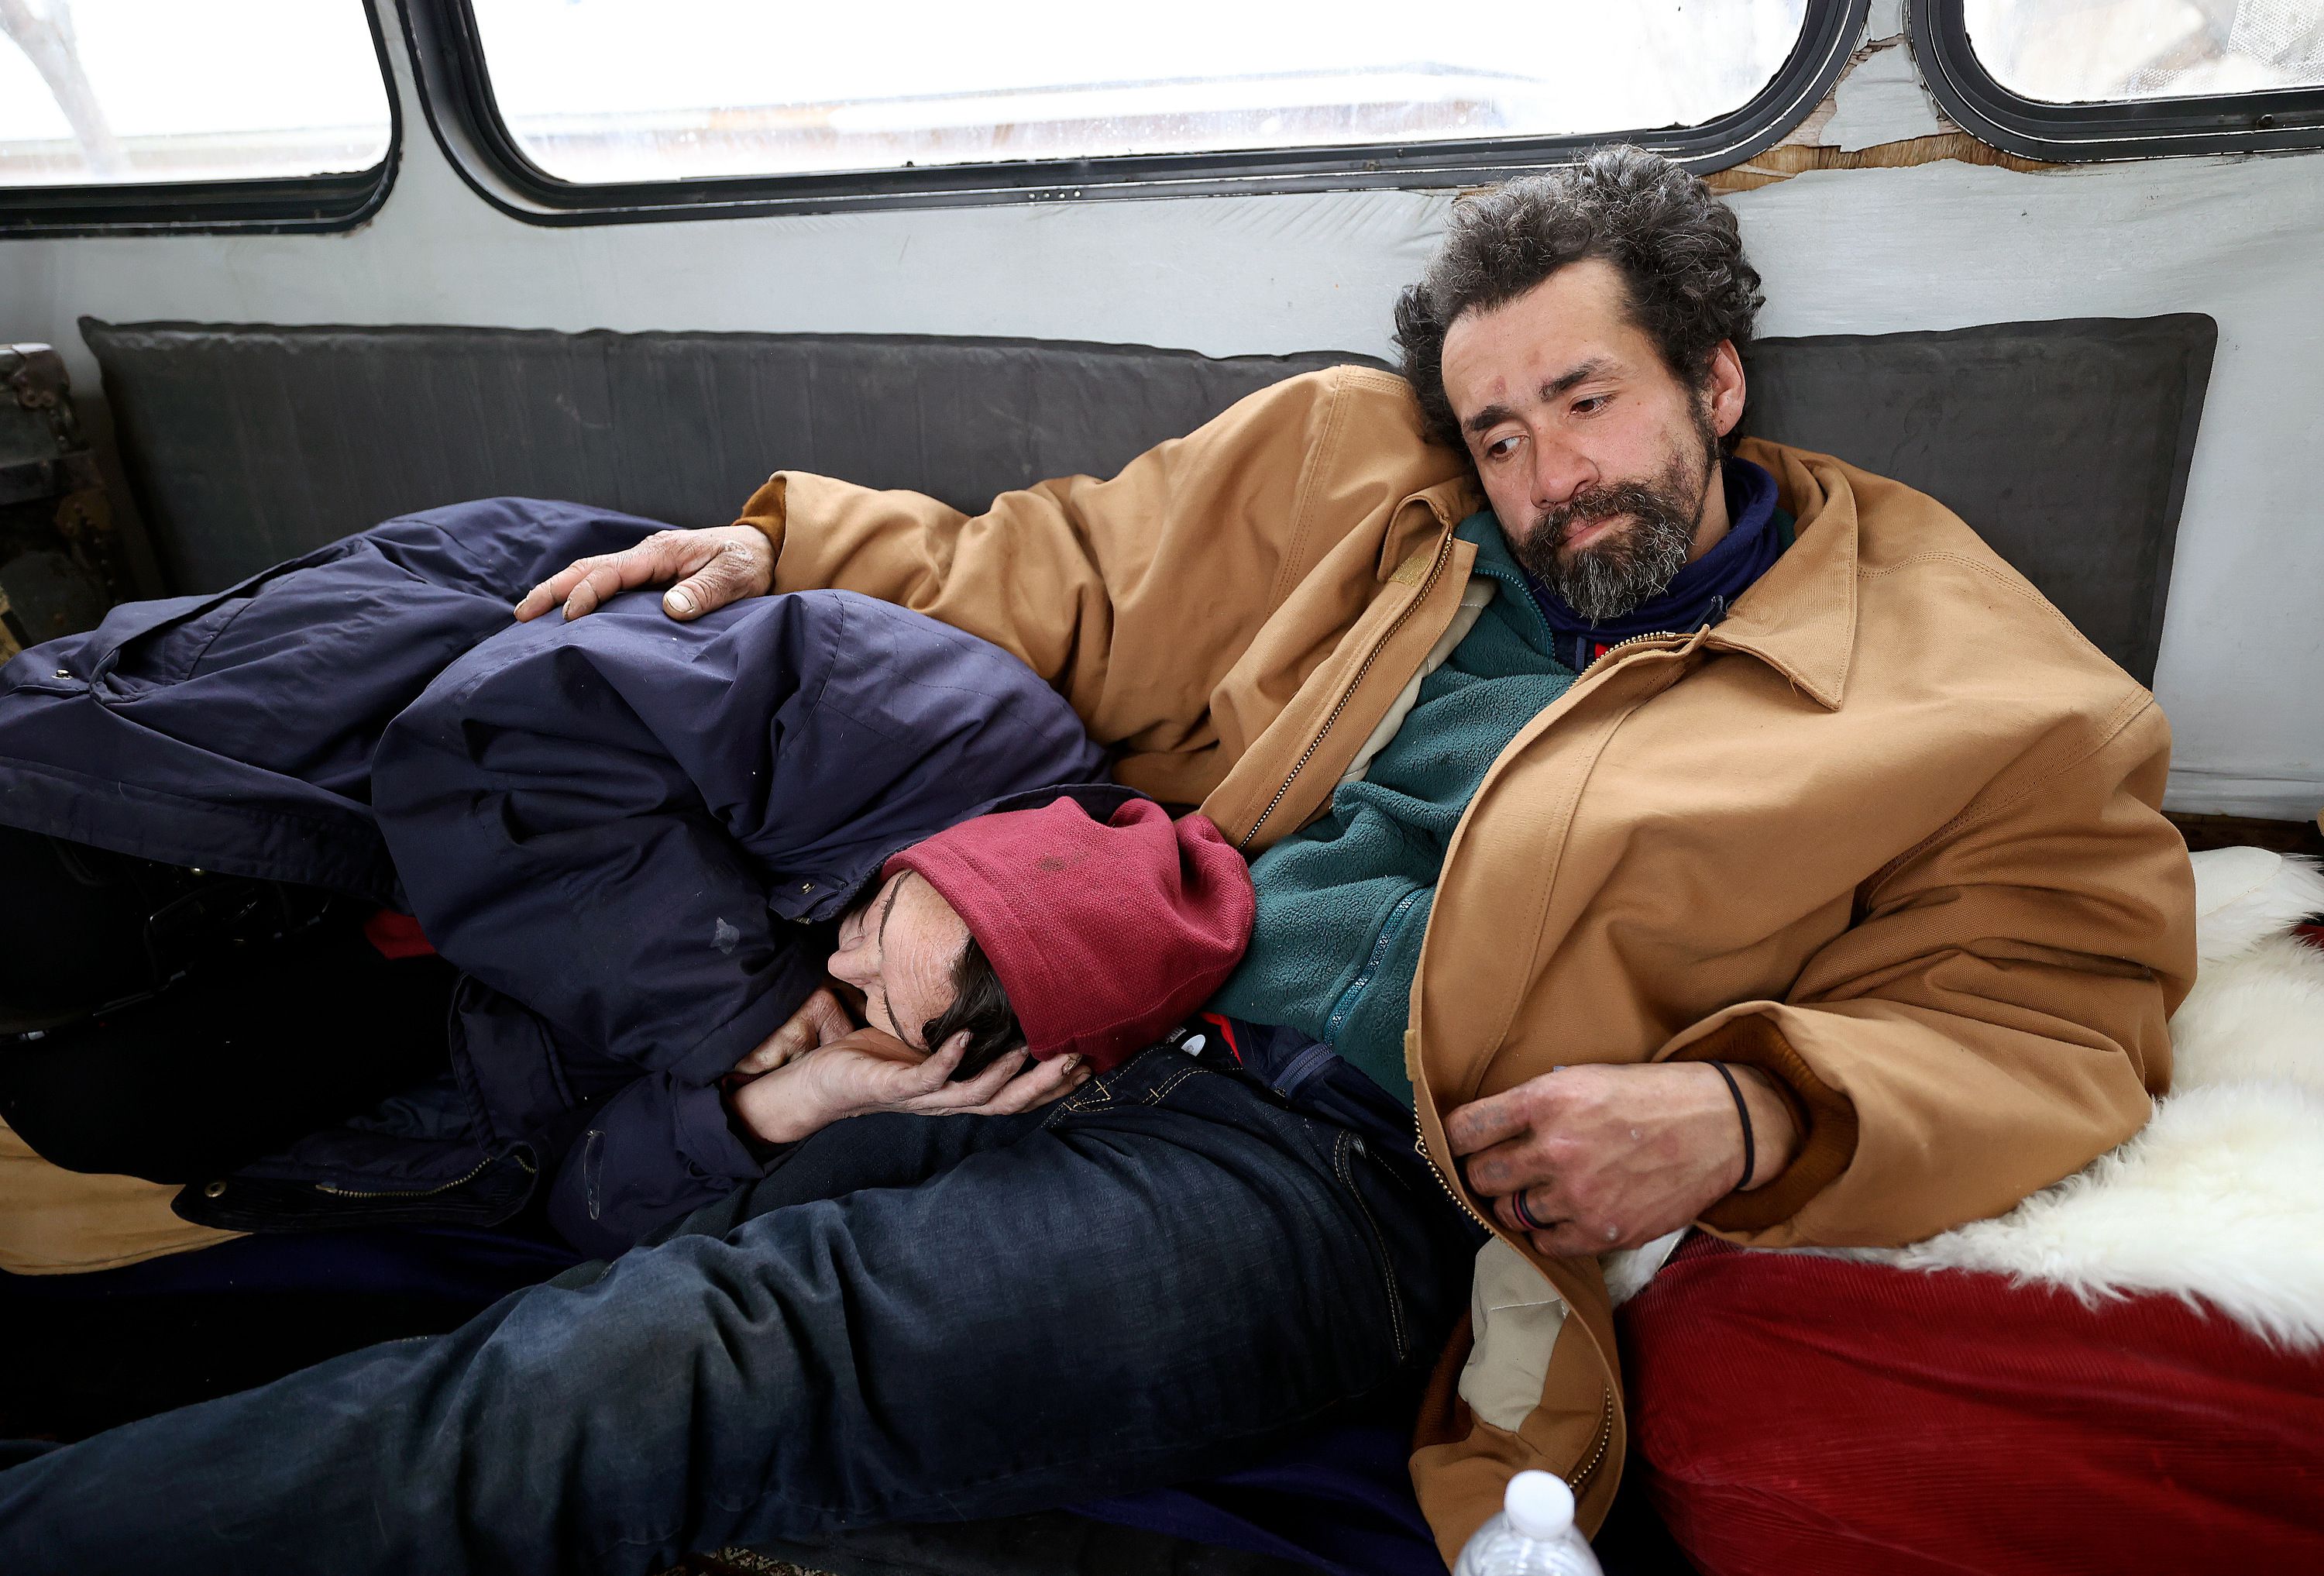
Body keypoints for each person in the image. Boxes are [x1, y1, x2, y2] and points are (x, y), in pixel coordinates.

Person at [0, 146, 2193, 1568]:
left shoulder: (1980, 684)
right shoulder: (1362, 475)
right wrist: (768, 546)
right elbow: (1047, 568)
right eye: (1501, 426)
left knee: (709, 1353)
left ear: (1718, 377)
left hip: (1317, 1172)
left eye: (1591, 404)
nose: (1543, 474)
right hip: (1080, 990)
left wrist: (1740, 1107)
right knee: (547, 1246)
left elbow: (2061, 1008)